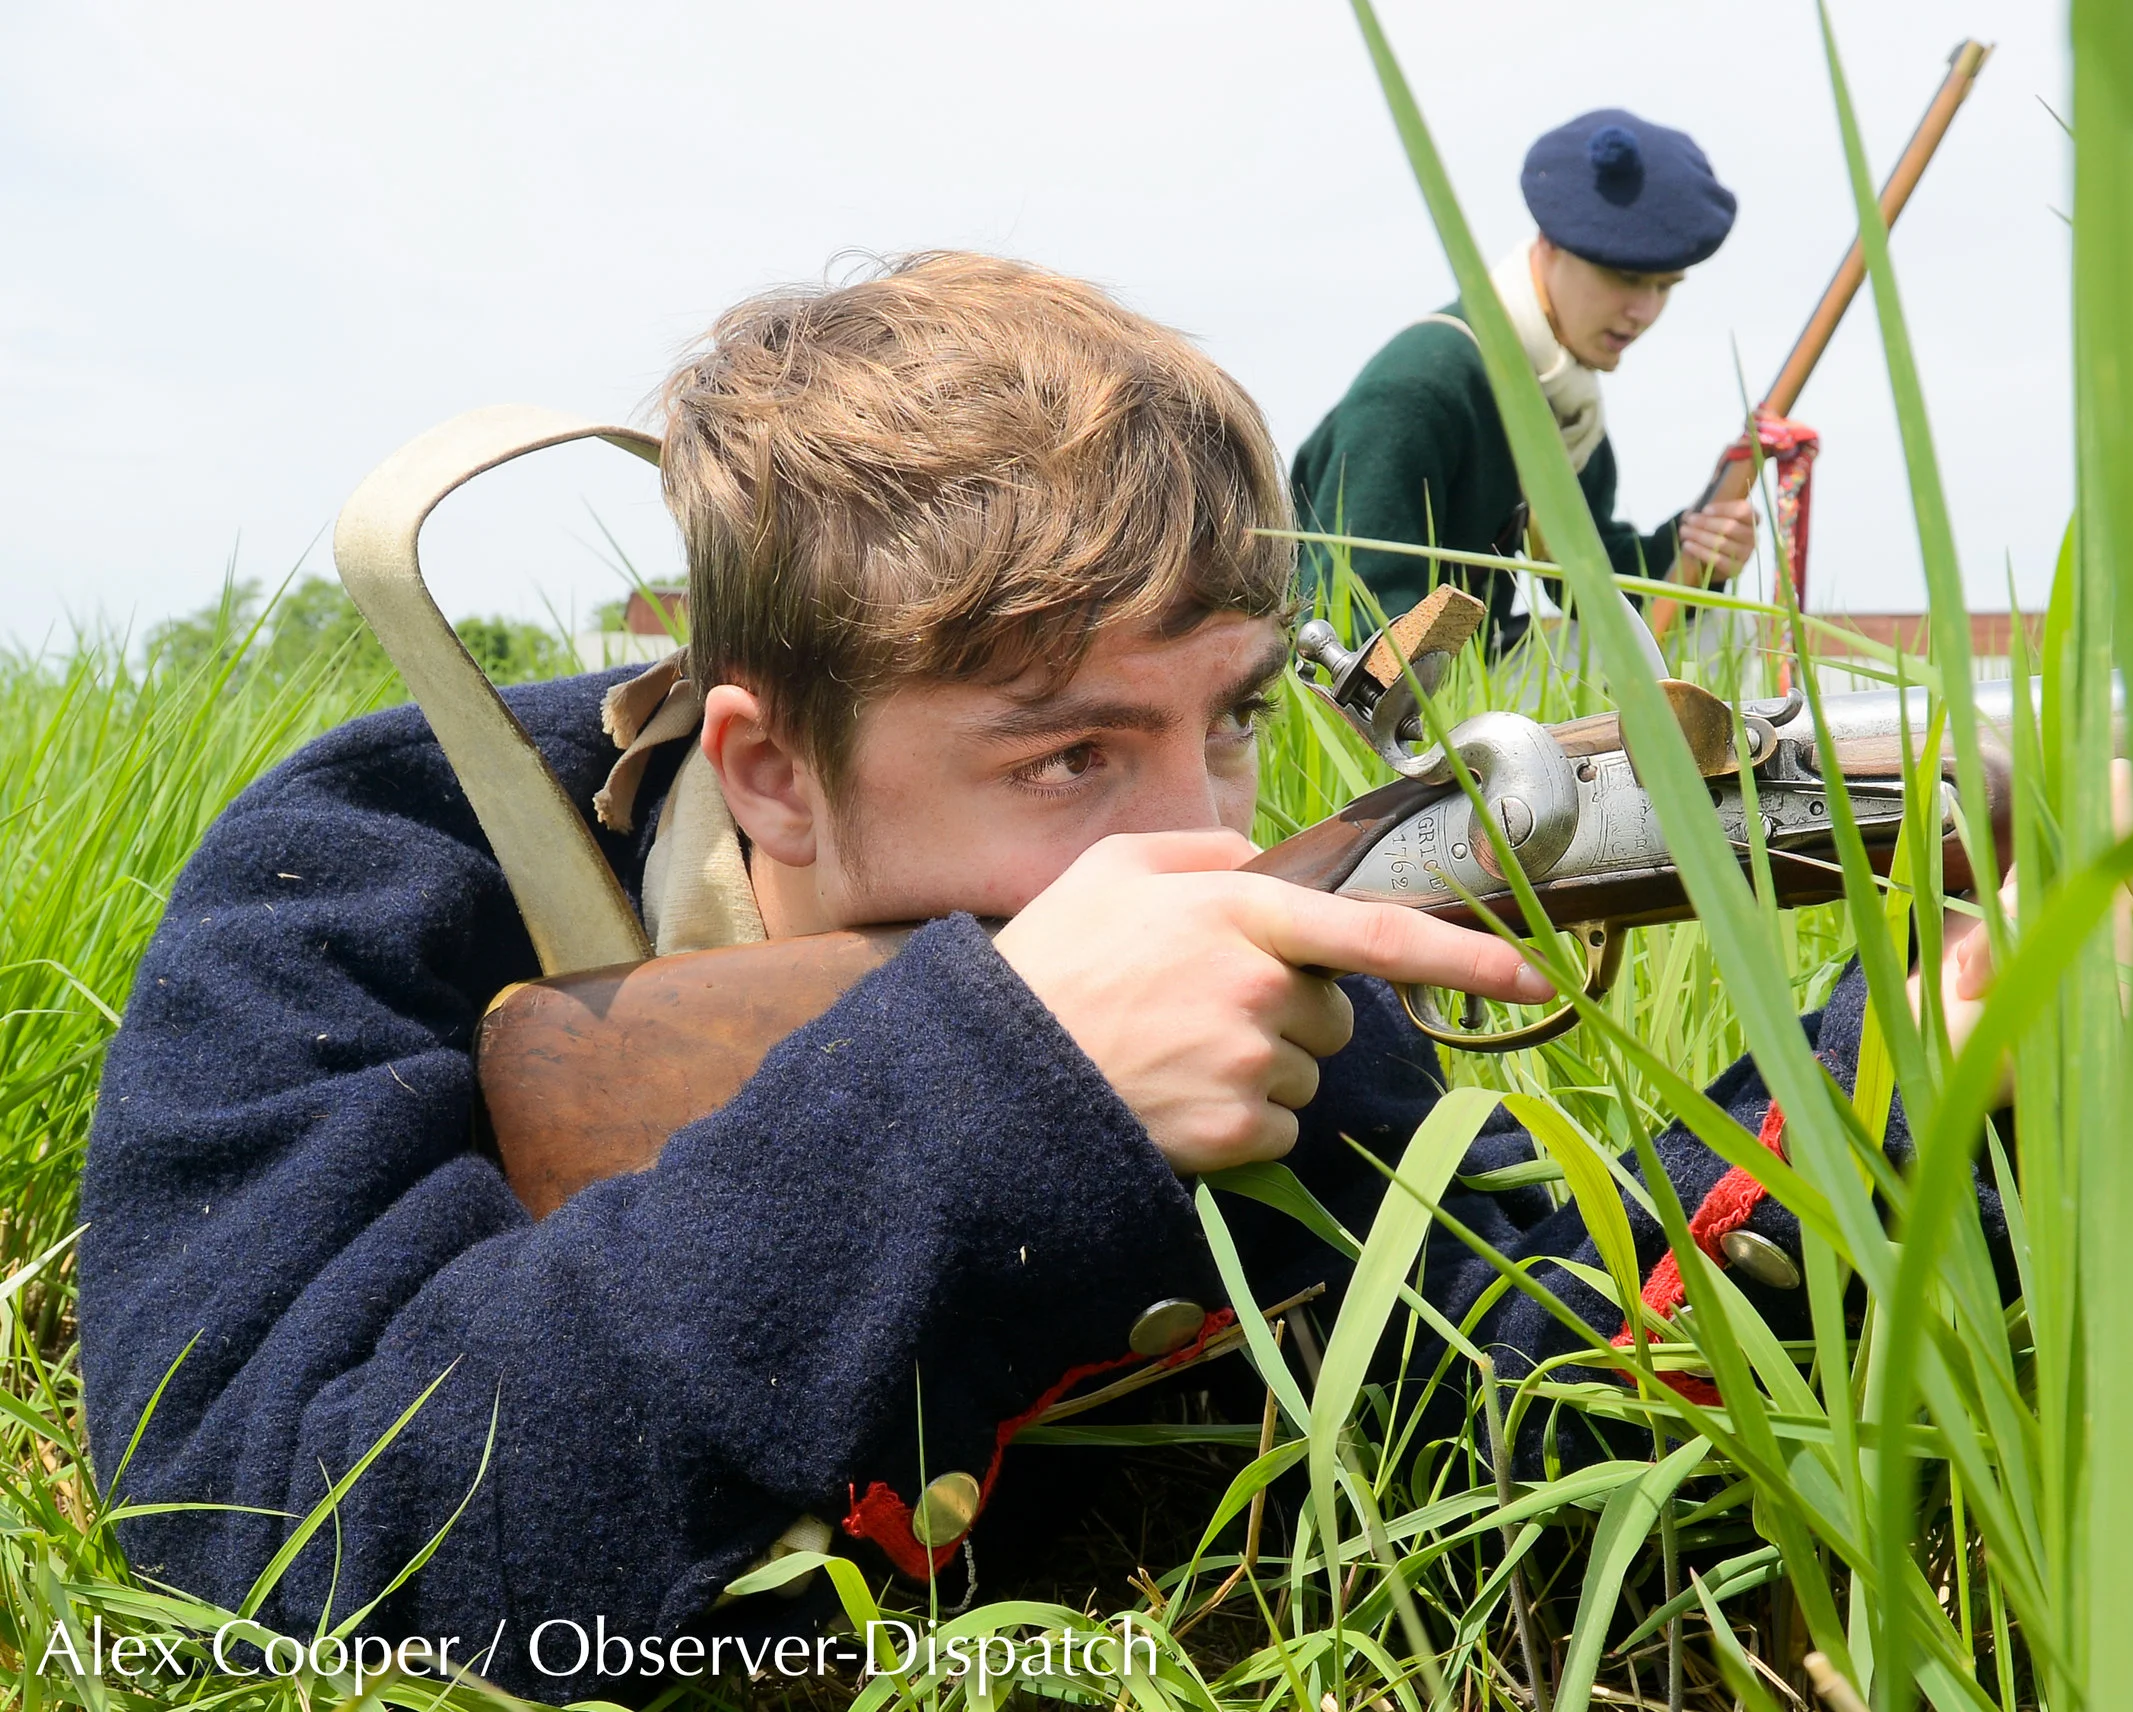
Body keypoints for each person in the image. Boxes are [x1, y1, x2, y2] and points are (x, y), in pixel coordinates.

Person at [79, 255, 1993, 1704]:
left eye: (1229, 724)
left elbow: (1536, 1431)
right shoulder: (371, 884)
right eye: (1069, 758)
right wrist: (990, 1091)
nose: (1199, 849)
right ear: (765, 767)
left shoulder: (1230, 940)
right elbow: (241, 1569)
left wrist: (1934, 1066)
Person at [1293, 109, 1760, 649]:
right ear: (1550, 245)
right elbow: (1349, 622)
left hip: (1468, 672)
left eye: (1665, 286)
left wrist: (1697, 553)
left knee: (1721, 633)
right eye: (1626, 278)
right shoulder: (1418, 389)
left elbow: (1593, 585)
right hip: (1375, 694)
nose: (1643, 310)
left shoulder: (1562, 396)